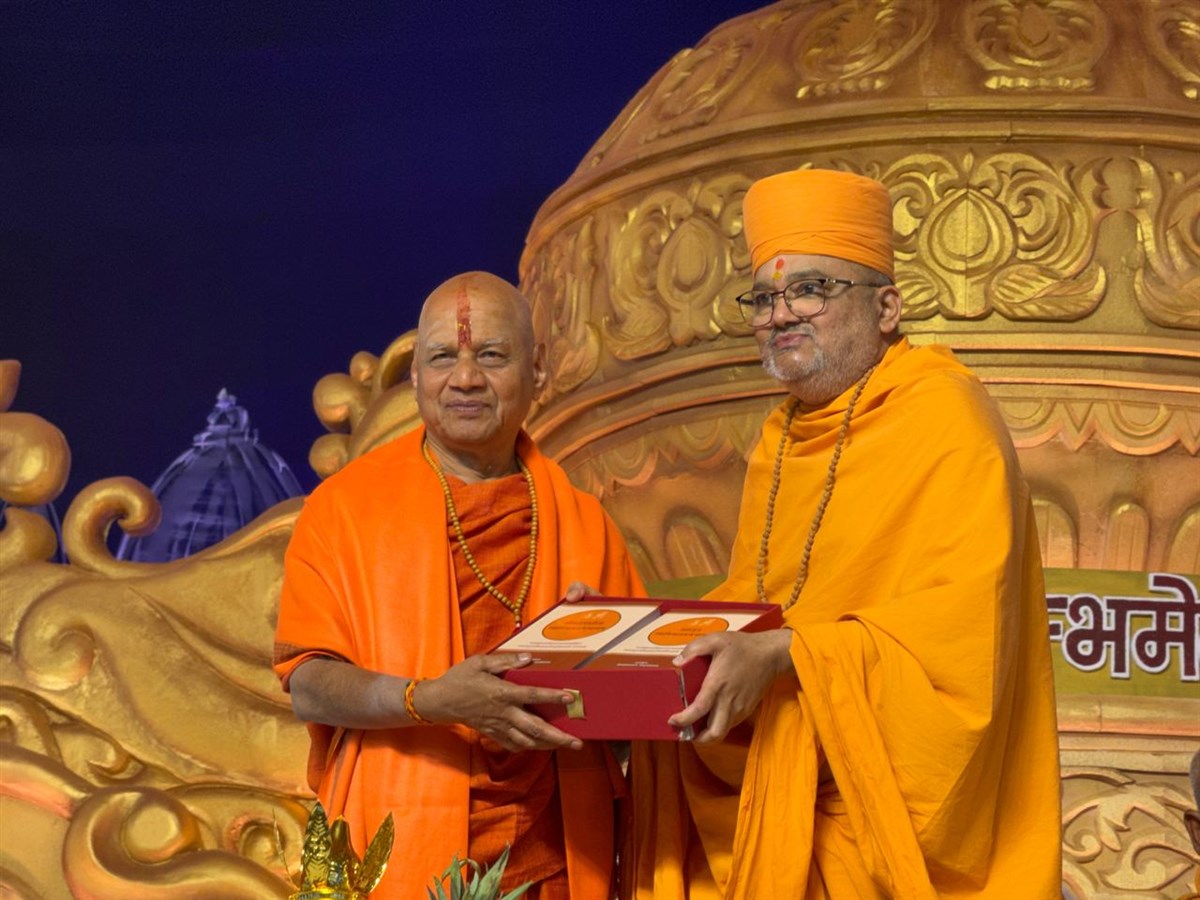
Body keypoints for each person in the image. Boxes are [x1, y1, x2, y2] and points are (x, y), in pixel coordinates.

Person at [628, 169, 1063, 899]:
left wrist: (790, 655)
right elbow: (755, 602)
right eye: (763, 298)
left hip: (884, 812)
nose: (780, 314)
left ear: (886, 306)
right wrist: (633, 640)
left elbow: (959, 640)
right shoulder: (782, 438)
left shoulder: (945, 417)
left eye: (811, 290)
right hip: (787, 779)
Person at [274, 271, 644, 900]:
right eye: (443, 357)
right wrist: (428, 699)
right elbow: (308, 682)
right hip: (395, 844)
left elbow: (637, 710)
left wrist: (593, 664)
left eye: (492, 355)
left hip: (552, 856)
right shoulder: (343, 509)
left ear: (538, 369)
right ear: (415, 375)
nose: (466, 378)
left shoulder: (584, 523)